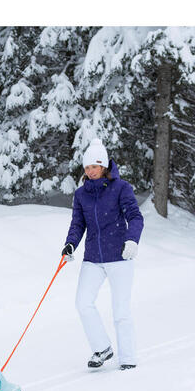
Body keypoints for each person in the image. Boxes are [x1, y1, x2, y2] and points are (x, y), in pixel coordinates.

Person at [62, 138, 144, 370]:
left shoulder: (121, 188)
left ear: (104, 166)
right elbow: (78, 224)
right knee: (83, 303)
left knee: (120, 310)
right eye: (87, 167)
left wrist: (132, 240)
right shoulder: (81, 194)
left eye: (94, 167)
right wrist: (70, 245)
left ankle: (127, 358)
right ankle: (103, 348)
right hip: (93, 259)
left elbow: (135, 217)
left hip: (120, 255)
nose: (90, 171)